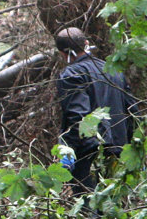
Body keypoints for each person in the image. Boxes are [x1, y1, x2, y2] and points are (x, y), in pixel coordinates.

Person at [55, 27, 139, 194]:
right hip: (120, 152)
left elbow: (77, 116)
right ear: (86, 44)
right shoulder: (112, 70)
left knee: (91, 210)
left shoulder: (71, 74)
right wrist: (133, 147)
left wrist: (68, 150)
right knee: (117, 209)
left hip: (90, 155)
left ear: (63, 54)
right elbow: (132, 111)